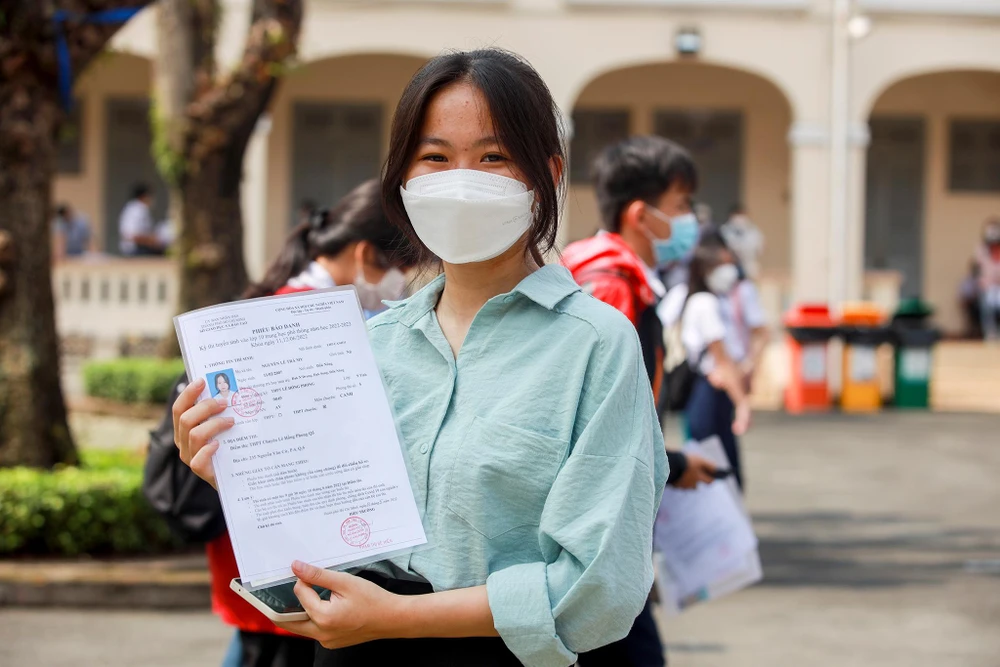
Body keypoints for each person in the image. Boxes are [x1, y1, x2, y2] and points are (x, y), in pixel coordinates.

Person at [172, 48, 667, 667]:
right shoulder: (371, 345)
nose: (462, 180)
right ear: (403, 180)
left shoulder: (597, 344)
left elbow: (598, 585)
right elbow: (331, 544)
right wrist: (250, 476)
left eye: (494, 157)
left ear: (546, 173)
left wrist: (401, 617)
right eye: (435, 157)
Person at [146, 178, 415, 667]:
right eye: (404, 264)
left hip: (273, 555)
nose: (407, 280)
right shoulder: (304, 323)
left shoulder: (279, 304)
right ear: (364, 255)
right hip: (287, 559)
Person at [562, 135, 719, 667]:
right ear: (640, 214)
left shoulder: (610, 276)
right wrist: (671, 464)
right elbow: (594, 423)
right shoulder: (611, 288)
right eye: (680, 207)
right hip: (596, 537)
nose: (691, 219)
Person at [659, 238, 752, 491]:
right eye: (721, 265)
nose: (729, 271)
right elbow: (721, 360)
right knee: (719, 470)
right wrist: (743, 404)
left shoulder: (690, 296)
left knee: (707, 463)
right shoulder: (706, 303)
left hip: (699, 392)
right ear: (705, 269)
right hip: (709, 392)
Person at [720, 203, 765, 281]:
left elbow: (760, 248)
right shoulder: (724, 230)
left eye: (742, 214)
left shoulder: (753, 231)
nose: (740, 218)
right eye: (737, 214)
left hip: (749, 267)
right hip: (731, 269)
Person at [118, 183, 165, 256]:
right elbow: (132, 235)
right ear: (144, 196)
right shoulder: (138, 208)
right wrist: (152, 240)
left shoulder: (132, 207)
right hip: (136, 250)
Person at [975, 218, 1000, 341]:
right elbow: (982, 272)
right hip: (989, 287)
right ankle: (990, 333)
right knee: (985, 303)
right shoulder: (982, 250)